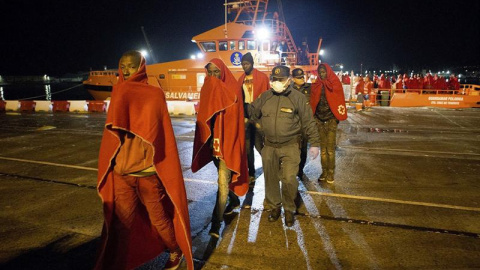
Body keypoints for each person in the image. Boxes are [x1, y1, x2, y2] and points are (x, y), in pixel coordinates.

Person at [95, 50, 193, 270]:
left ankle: (175, 250)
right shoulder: (118, 91)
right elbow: (112, 137)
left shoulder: (154, 94)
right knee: (121, 224)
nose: (127, 70)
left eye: (131, 65)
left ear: (141, 66)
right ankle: (121, 263)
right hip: (122, 172)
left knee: (158, 220)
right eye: (123, 66)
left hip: (148, 172)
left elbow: (160, 134)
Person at [248, 65, 320, 227]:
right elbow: (252, 112)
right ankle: (274, 207)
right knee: (270, 179)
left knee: (288, 179)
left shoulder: (298, 98)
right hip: (269, 146)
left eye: (280, 80)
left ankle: (289, 209)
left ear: (288, 80)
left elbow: (308, 121)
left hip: (290, 145)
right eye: (274, 79)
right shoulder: (265, 96)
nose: (276, 83)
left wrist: (314, 143)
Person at [192, 58, 249, 238]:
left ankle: (215, 225)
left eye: (216, 72)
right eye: (210, 72)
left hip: (227, 145)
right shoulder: (207, 89)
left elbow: (235, 122)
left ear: (222, 71)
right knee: (224, 180)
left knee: (222, 184)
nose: (213, 75)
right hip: (213, 144)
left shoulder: (232, 89)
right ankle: (234, 200)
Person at [310, 63, 348, 184]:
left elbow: (338, 100)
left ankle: (331, 172)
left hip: (331, 120)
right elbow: (313, 101)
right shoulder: (316, 85)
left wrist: (336, 118)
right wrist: (315, 117)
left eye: (323, 72)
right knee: (323, 150)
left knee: (330, 149)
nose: (322, 74)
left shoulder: (335, 84)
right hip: (319, 120)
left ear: (328, 72)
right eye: (320, 72)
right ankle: (324, 171)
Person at [237, 52, 270, 187]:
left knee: (260, 146)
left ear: (252, 63)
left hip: (259, 116)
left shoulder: (262, 77)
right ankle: (251, 173)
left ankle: (270, 170)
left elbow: (267, 97)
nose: (245, 66)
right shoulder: (240, 79)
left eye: (247, 64)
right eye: (243, 64)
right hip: (246, 116)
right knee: (247, 148)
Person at [291, 68, 312, 181]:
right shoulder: (289, 89)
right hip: (293, 124)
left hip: (304, 123)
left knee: (303, 149)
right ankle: (293, 169)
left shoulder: (310, 88)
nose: (301, 79)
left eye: (302, 77)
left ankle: (300, 169)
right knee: (293, 148)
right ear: (293, 79)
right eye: (299, 78)